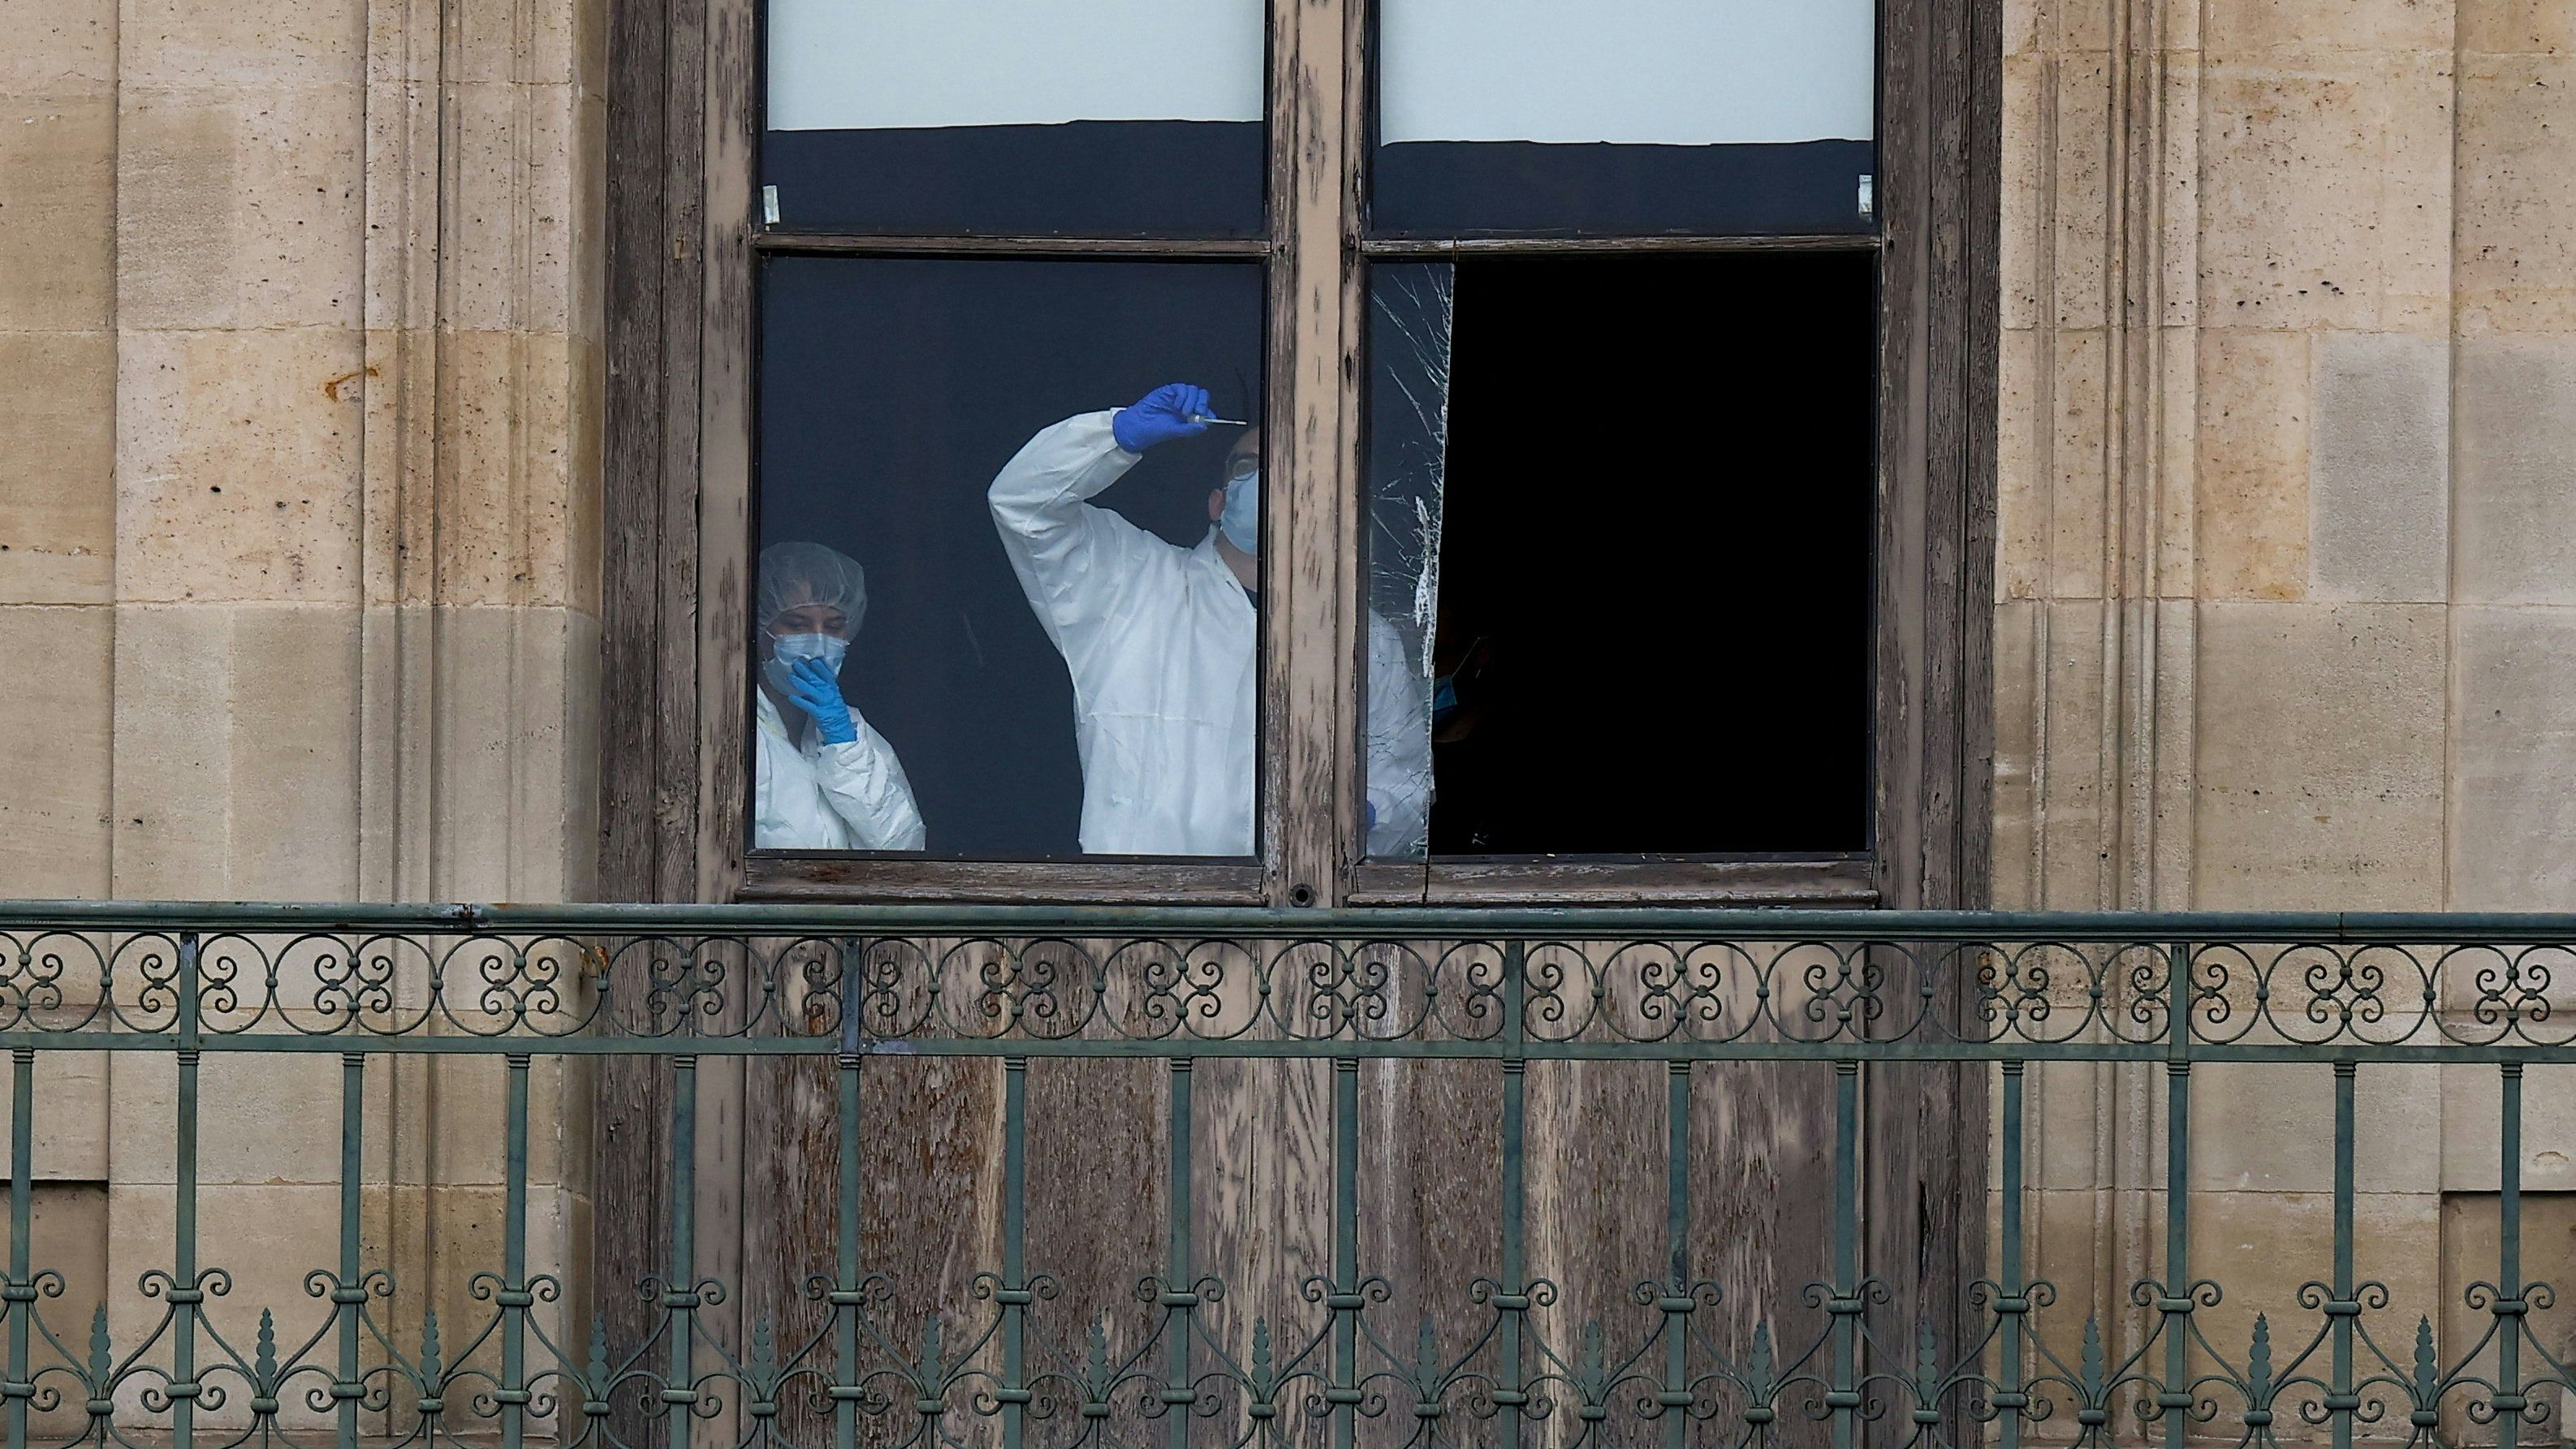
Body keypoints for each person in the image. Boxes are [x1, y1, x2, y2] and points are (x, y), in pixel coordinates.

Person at [988, 384, 1430, 856]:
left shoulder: (1364, 640)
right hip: (1140, 916)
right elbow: (1024, 504)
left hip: (1296, 918)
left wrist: (1366, 812)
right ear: (1217, 502)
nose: (1273, 478)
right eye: (1251, 466)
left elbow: (1406, 778)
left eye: (1294, 468)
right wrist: (1115, 435)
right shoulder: (1130, 585)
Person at [751, 541, 926, 851]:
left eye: (833, 627)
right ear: (761, 627)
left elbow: (903, 848)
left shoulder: (852, 731)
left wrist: (845, 747)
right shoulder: (733, 730)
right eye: (796, 624)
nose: (818, 642)